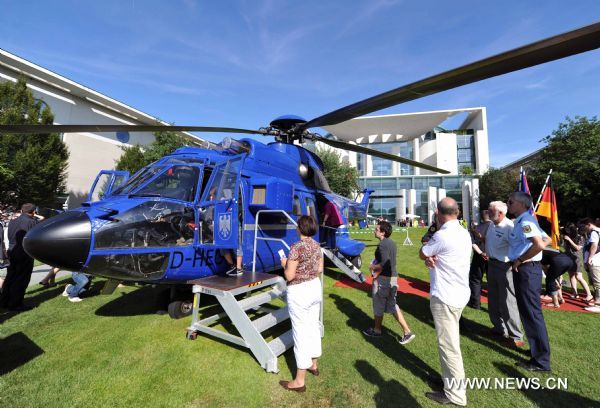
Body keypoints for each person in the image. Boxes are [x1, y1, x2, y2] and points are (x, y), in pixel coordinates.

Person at [419, 197, 471, 406]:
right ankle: (449, 381)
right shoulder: (463, 232)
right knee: (449, 343)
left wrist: (428, 256)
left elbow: (422, 252)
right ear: (457, 212)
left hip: (445, 296)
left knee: (449, 347)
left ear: (439, 214)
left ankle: (455, 395)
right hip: (458, 293)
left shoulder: (442, 235)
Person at [507, 192, 551, 372]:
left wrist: (521, 259)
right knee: (529, 312)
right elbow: (546, 239)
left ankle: (541, 361)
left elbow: (539, 244)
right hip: (528, 269)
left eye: (511, 201)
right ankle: (537, 351)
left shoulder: (525, 221)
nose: (507, 204)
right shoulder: (526, 220)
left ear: (523, 204)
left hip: (526, 270)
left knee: (531, 314)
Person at [279, 215, 323, 392]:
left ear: (300, 229)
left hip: (300, 292)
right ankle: (313, 364)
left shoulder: (296, 247)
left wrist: (284, 263)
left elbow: (289, 275)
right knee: (313, 327)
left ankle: (299, 381)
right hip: (314, 287)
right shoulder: (317, 245)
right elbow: (319, 269)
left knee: (300, 333)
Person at [362, 220, 416, 345]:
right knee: (392, 304)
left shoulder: (382, 245)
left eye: (376, 229)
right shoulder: (391, 243)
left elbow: (385, 263)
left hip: (384, 278)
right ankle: (407, 331)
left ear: (383, 232)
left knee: (379, 304)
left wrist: (372, 267)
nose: (374, 231)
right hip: (393, 277)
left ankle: (377, 330)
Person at [481, 201, 524, 348]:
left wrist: (514, 263)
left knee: (508, 302)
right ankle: (499, 329)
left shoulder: (509, 227)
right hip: (492, 264)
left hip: (505, 267)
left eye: (491, 211)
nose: (488, 212)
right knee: (493, 299)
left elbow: (518, 247)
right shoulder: (492, 224)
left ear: (501, 213)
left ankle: (516, 336)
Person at [0, 203, 40, 311]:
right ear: (34, 212)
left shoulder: (13, 221)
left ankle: (4, 301)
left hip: (12, 251)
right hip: (24, 252)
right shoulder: (32, 222)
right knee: (21, 279)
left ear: (22, 211)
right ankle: (16, 304)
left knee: (10, 277)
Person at [562, 223, 593, 303]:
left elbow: (578, 248)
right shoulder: (568, 236)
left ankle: (589, 294)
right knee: (571, 276)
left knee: (579, 277)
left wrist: (569, 240)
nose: (567, 231)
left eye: (568, 229)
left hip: (577, 259)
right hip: (569, 258)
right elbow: (565, 247)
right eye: (566, 230)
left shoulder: (580, 237)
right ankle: (575, 293)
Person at [467, 210, 492, 309]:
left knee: (475, 280)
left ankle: (475, 303)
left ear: (481, 218)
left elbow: (473, 244)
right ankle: (493, 305)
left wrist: (481, 253)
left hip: (479, 255)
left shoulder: (475, 228)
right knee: (492, 281)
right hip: (492, 256)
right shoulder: (495, 227)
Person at [581, 218, 600, 313]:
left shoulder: (594, 232)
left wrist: (589, 258)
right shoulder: (597, 231)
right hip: (596, 260)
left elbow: (594, 245)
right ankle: (597, 301)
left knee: (597, 284)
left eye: (584, 226)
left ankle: (598, 305)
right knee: (596, 283)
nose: (584, 229)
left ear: (588, 224)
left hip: (595, 261)